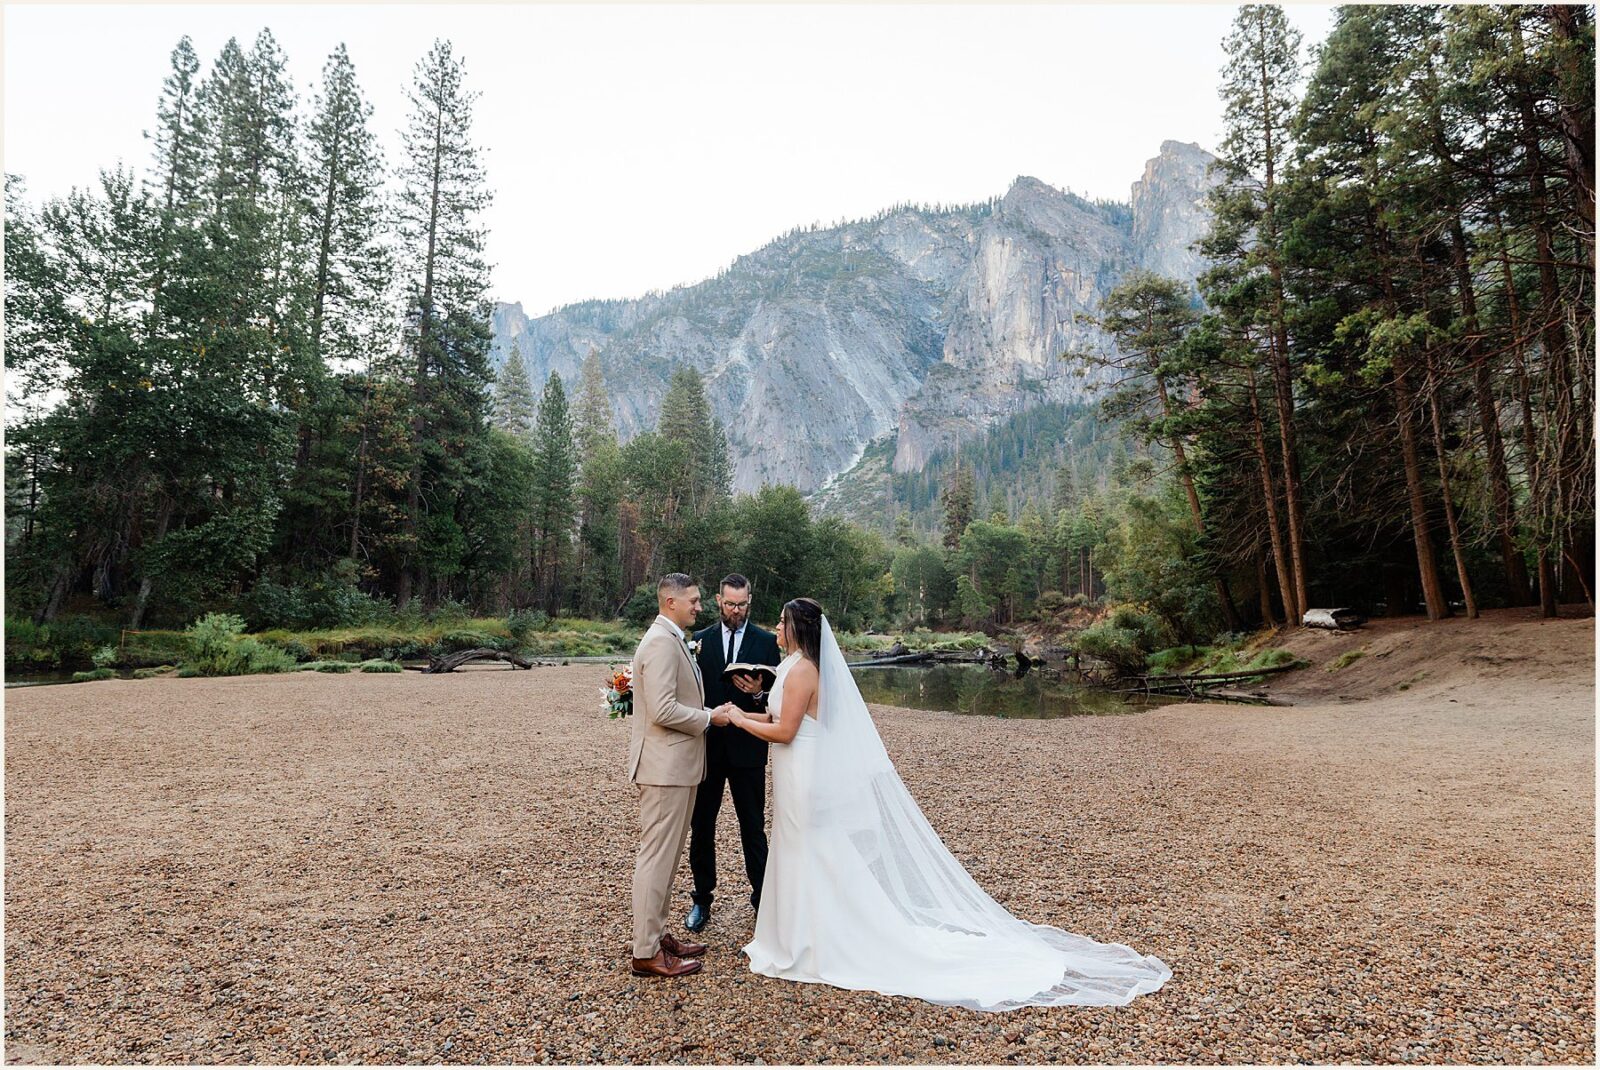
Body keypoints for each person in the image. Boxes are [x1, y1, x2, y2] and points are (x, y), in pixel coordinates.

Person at [722, 597, 1172, 1009]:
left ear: (797, 628)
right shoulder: (792, 665)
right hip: (793, 772)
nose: (775, 628)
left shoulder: (804, 670)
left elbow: (785, 732)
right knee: (802, 850)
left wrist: (740, 720)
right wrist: (742, 711)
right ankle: (800, 934)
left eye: (781, 622)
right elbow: (778, 717)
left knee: (810, 849)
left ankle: (819, 940)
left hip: (804, 775)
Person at [625, 574, 735, 978]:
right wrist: (709, 718)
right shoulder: (660, 642)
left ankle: (655, 936)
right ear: (670, 602)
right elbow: (663, 710)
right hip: (664, 769)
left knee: (668, 859)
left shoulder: (672, 638)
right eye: (693, 600)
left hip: (677, 767)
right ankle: (645, 951)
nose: (700, 607)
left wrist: (708, 710)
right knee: (656, 858)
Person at [685, 573, 782, 933]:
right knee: (701, 826)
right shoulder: (699, 640)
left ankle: (762, 900)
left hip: (748, 748)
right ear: (718, 601)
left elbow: (776, 702)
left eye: (742, 605)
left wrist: (756, 692)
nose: (736, 611)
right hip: (708, 746)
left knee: (753, 827)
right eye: (730, 604)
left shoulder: (766, 641)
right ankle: (701, 899)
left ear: (749, 601)